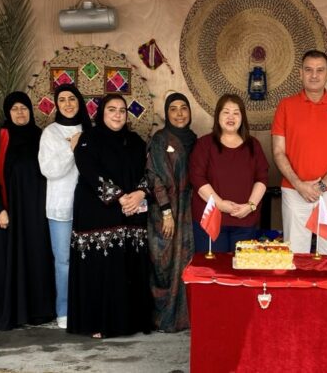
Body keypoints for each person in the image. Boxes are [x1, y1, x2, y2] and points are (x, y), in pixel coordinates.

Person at [272, 49, 327, 335]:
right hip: (294, 191)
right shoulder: (286, 106)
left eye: (320, 70)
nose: (314, 75)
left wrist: (321, 185)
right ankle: (296, 310)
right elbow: (278, 151)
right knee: (295, 253)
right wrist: (299, 184)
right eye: (308, 69)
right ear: (300, 73)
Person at [68, 94, 154, 338]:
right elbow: (89, 170)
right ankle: (98, 323)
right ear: (102, 113)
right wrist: (119, 197)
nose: (118, 114)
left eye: (122, 110)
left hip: (131, 213)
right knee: (101, 268)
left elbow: (148, 171)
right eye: (112, 109)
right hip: (97, 212)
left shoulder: (135, 141)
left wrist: (140, 193)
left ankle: (129, 322)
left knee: (127, 266)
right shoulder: (88, 139)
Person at [0, 92, 57, 330]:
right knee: (9, 259)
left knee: (37, 256)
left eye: (24, 108)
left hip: (37, 210)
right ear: (8, 112)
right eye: (14, 109)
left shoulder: (41, 136)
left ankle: (38, 311)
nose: (20, 113)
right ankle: (12, 311)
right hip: (9, 209)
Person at [38, 83, 92, 329]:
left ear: (79, 102)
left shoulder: (90, 130)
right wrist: (72, 149)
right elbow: (49, 170)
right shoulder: (50, 133)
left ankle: (87, 307)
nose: (68, 104)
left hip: (88, 205)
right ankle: (64, 310)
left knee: (88, 259)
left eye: (72, 98)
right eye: (62, 100)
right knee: (63, 261)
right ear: (56, 105)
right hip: (60, 207)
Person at [189, 94, 269, 252]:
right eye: (226, 112)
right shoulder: (204, 144)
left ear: (242, 117)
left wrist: (250, 206)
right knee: (213, 266)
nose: (231, 117)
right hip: (211, 221)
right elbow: (197, 178)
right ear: (217, 116)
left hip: (245, 221)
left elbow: (262, 178)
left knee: (242, 266)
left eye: (236, 113)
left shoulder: (253, 145)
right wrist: (220, 204)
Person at [146, 92, 198, 332]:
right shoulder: (159, 139)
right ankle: (161, 318)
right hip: (164, 211)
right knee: (163, 263)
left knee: (185, 260)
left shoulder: (195, 140)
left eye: (183, 108)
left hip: (187, 211)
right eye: (173, 109)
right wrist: (167, 212)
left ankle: (182, 318)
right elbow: (155, 177)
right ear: (166, 114)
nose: (179, 113)